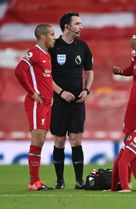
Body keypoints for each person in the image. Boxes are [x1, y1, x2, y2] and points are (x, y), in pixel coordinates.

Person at [49, 12, 94, 189]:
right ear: (67, 27)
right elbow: (46, 76)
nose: (81, 27)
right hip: (59, 102)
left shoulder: (83, 46)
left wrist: (86, 90)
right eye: (77, 23)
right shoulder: (53, 46)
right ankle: (60, 181)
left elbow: (90, 71)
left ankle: (79, 181)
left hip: (77, 102)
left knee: (76, 139)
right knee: (59, 141)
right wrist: (60, 93)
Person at [15, 24, 56, 190]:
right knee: (37, 140)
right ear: (43, 37)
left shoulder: (47, 55)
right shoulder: (34, 52)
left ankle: (35, 181)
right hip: (35, 103)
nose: (55, 37)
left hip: (46, 104)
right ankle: (33, 182)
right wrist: (32, 92)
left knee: (41, 141)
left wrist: (51, 97)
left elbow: (45, 80)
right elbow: (19, 71)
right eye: (52, 34)